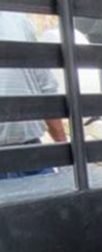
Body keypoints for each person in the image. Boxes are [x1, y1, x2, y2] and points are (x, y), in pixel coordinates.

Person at [0, 12, 67, 179]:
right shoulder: (16, 20)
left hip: (30, 153)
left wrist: (64, 150)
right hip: (29, 153)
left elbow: (45, 86)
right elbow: (46, 86)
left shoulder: (17, 20)